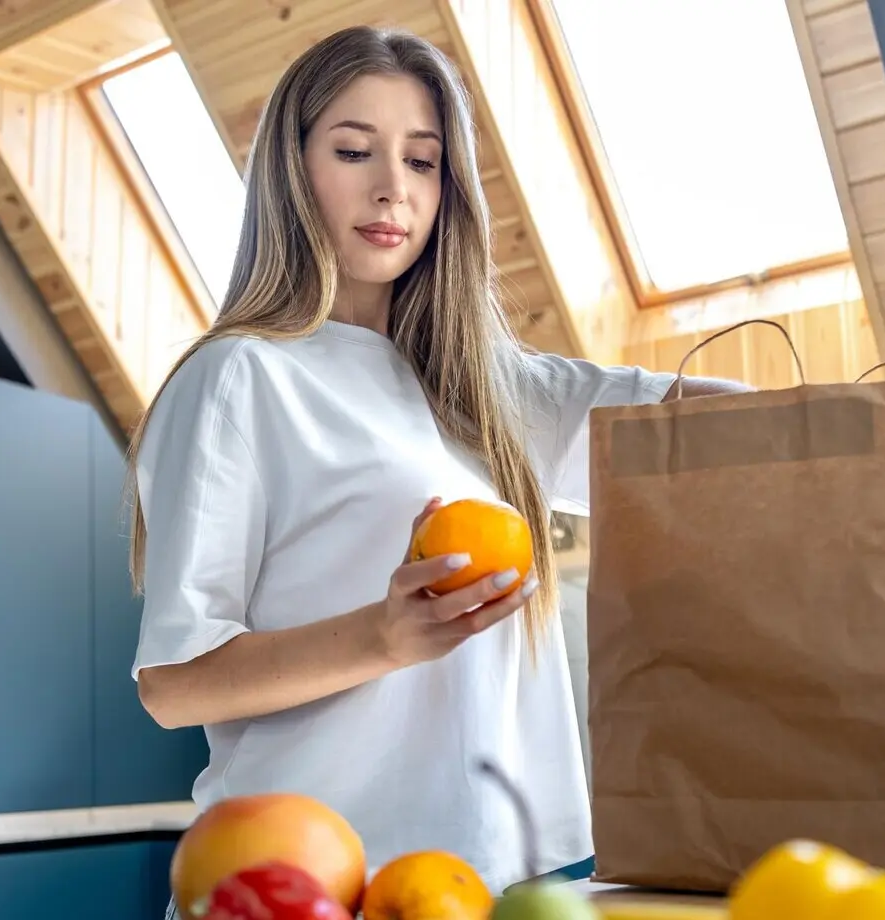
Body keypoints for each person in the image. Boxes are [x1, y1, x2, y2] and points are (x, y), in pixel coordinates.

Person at [126, 24, 749, 910]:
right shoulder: (240, 377)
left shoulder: (485, 386)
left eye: (423, 162)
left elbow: (696, 420)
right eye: (354, 150)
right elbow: (175, 684)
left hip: (513, 874)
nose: (392, 189)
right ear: (289, 169)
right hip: (314, 883)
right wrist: (384, 635)